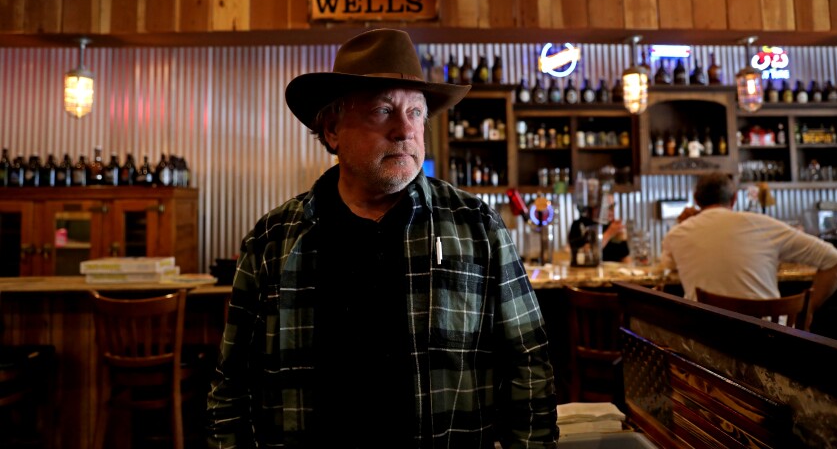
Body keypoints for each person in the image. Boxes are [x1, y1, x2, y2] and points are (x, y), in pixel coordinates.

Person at [206, 28, 559, 448]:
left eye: (415, 113)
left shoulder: (476, 227)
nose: (404, 130)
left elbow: (529, 366)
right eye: (381, 111)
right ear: (333, 130)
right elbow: (230, 387)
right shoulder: (273, 241)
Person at [659, 172, 837, 309]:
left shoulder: (677, 234)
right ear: (735, 198)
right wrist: (807, 311)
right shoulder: (762, 224)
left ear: (696, 200)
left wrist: (686, 223)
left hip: (706, 347)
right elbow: (835, 259)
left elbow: (667, 267)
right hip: (772, 343)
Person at [567, 191, 630, 264]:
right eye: (609, 207)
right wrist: (609, 233)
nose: (612, 211)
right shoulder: (579, 225)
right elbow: (586, 254)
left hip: (612, 273)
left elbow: (626, 258)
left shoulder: (612, 226)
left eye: (613, 206)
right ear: (595, 207)